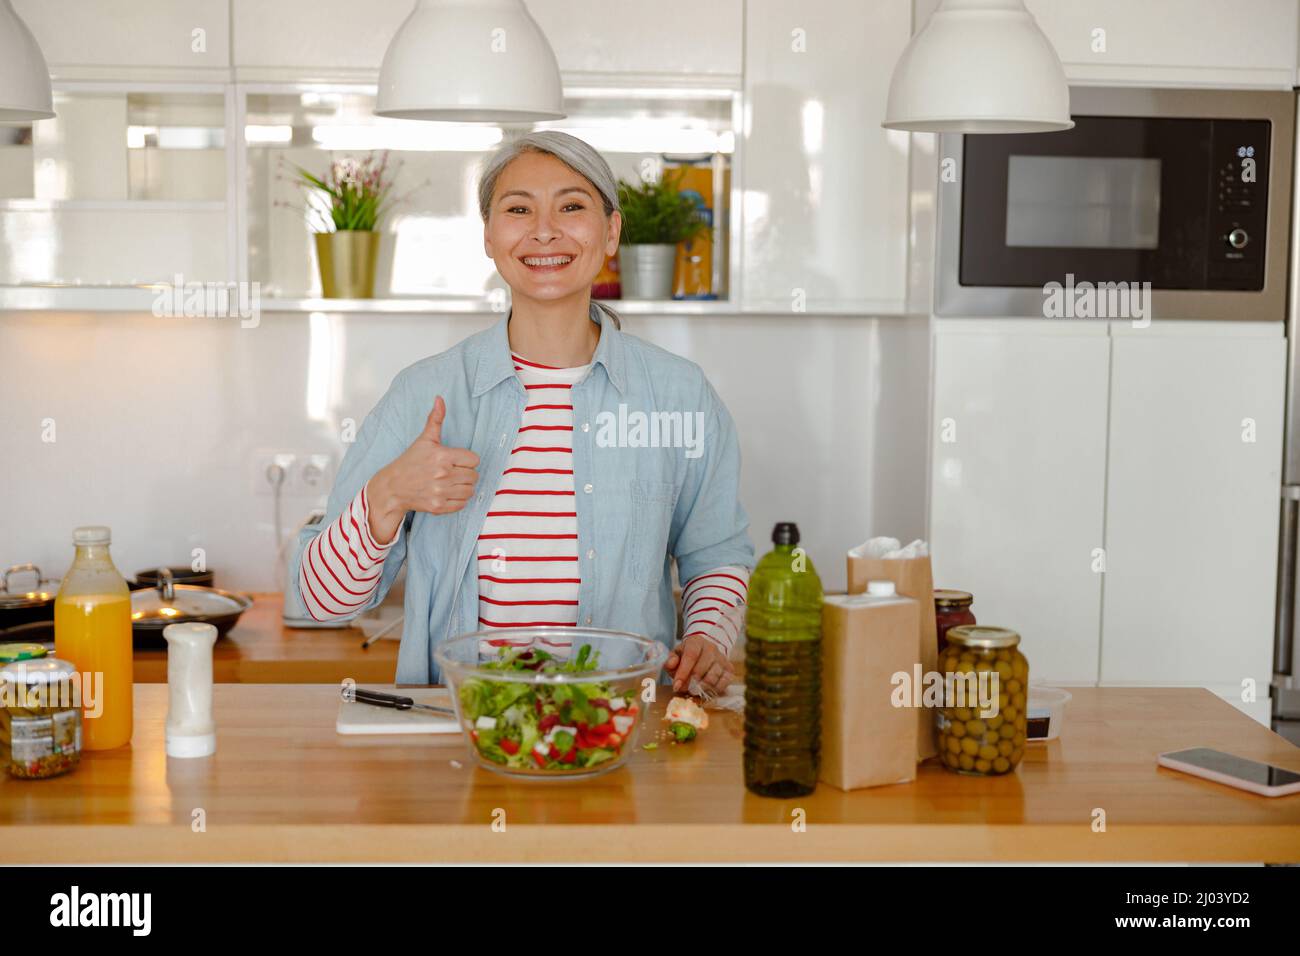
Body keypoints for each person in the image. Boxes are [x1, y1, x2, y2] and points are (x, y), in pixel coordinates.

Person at [287, 130, 754, 693]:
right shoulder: (425, 394)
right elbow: (322, 602)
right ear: (488, 235)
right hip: (464, 732)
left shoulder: (679, 395)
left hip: (619, 728)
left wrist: (707, 634)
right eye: (518, 209)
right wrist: (388, 493)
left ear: (611, 232)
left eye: (572, 206)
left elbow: (716, 553)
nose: (544, 231)